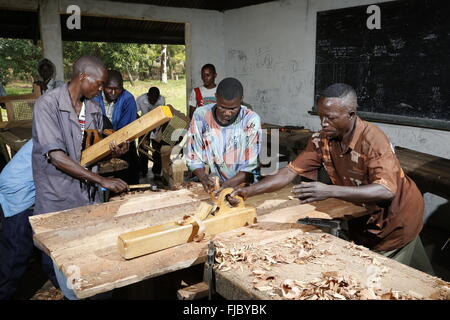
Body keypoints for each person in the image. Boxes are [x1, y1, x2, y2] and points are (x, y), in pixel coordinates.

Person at [230, 83, 434, 274]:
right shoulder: (323, 139)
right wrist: (248, 191)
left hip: (395, 222)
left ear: (351, 114)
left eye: (330, 118)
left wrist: (328, 191)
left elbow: (386, 190)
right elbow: (289, 172)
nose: (323, 123)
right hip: (365, 218)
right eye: (320, 116)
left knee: (392, 279)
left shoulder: (373, 140)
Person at [32, 56, 129, 299]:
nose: (102, 89)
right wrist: (101, 181)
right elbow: (56, 156)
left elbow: (90, 151)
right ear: (83, 76)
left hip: (87, 199)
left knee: (91, 269)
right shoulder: (47, 105)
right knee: (65, 267)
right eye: (99, 83)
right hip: (59, 198)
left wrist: (112, 149)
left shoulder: (94, 108)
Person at [0, 140, 58, 300]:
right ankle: (4, 292)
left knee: (40, 243)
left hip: (25, 185)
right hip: (19, 190)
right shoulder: (55, 133)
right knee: (16, 252)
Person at [186, 77, 261, 192]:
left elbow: (250, 165)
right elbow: (193, 156)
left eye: (233, 108)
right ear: (216, 97)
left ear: (241, 100)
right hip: (218, 184)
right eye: (222, 107)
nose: (227, 113)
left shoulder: (250, 120)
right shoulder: (201, 116)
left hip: (246, 187)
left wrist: (228, 185)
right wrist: (204, 178)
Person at [93, 70, 140, 185]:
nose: (113, 92)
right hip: (99, 141)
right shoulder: (94, 97)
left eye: (118, 89)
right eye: (109, 88)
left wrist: (118, 144)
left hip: (123, 142)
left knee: (129, 176)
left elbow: (127, 130)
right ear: (103, 86)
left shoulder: (128, 99)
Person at [136, 87, 166, 177]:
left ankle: (156, 171)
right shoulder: (141, 99)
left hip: (156, 126)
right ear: (147, 95)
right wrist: (142, 122)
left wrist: (156, 126)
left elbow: (162, 114)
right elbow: (134, 112)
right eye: (151, 99)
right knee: (142, 148)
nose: (153, 101)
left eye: (155, 99)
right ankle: (143, 170)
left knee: (156, 148)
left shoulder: (161, 100)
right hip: (144, 125)